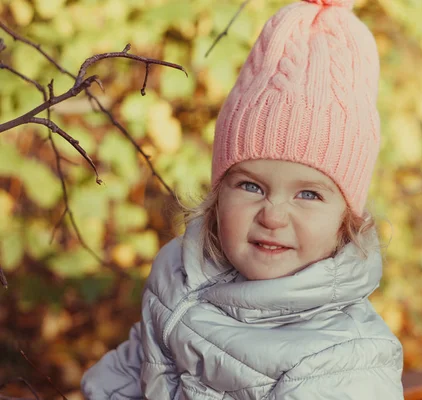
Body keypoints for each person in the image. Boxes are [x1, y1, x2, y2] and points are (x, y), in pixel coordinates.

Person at [81, 0, 404, 398]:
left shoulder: (342, 360)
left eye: (308, 194)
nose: (273, 215)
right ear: (218, 193)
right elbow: (133, 369)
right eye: (251, 186)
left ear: (347, 219)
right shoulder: (180, 272)